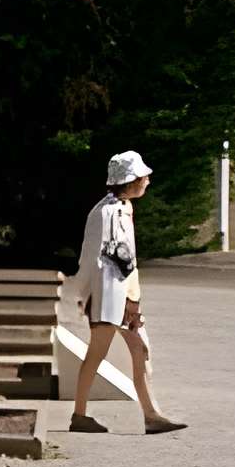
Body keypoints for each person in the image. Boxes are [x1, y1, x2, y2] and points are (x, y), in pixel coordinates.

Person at [69, 150, 187, 435]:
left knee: (137, 349)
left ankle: (149, 414)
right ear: (130, 180)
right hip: (111, 298)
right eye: (142, 176)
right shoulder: (110, 211)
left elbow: (117, 259)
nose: (148, 179)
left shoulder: (117, 208)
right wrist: (129, 300)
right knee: (101, 353)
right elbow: (117, 259)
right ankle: (82, 415)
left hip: (114, 297)